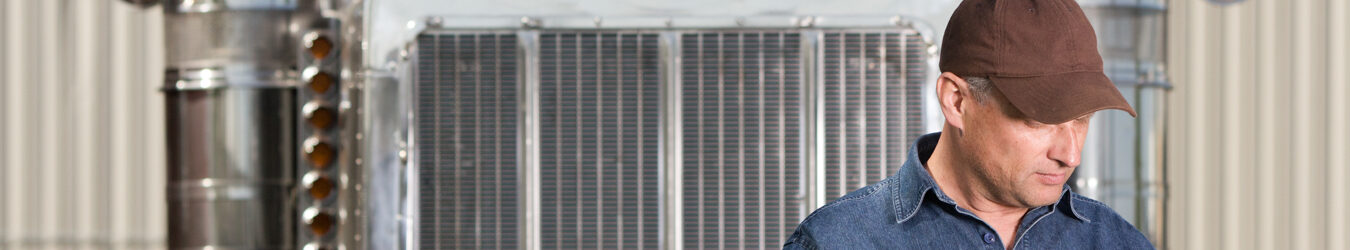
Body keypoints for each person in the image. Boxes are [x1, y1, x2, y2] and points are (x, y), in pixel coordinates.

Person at [783, 0, 1154, 249]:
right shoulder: (836, 241)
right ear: (956, 102)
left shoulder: (1117, 241)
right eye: (1039, 121)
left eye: (1082, 119)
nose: (1071, 155)